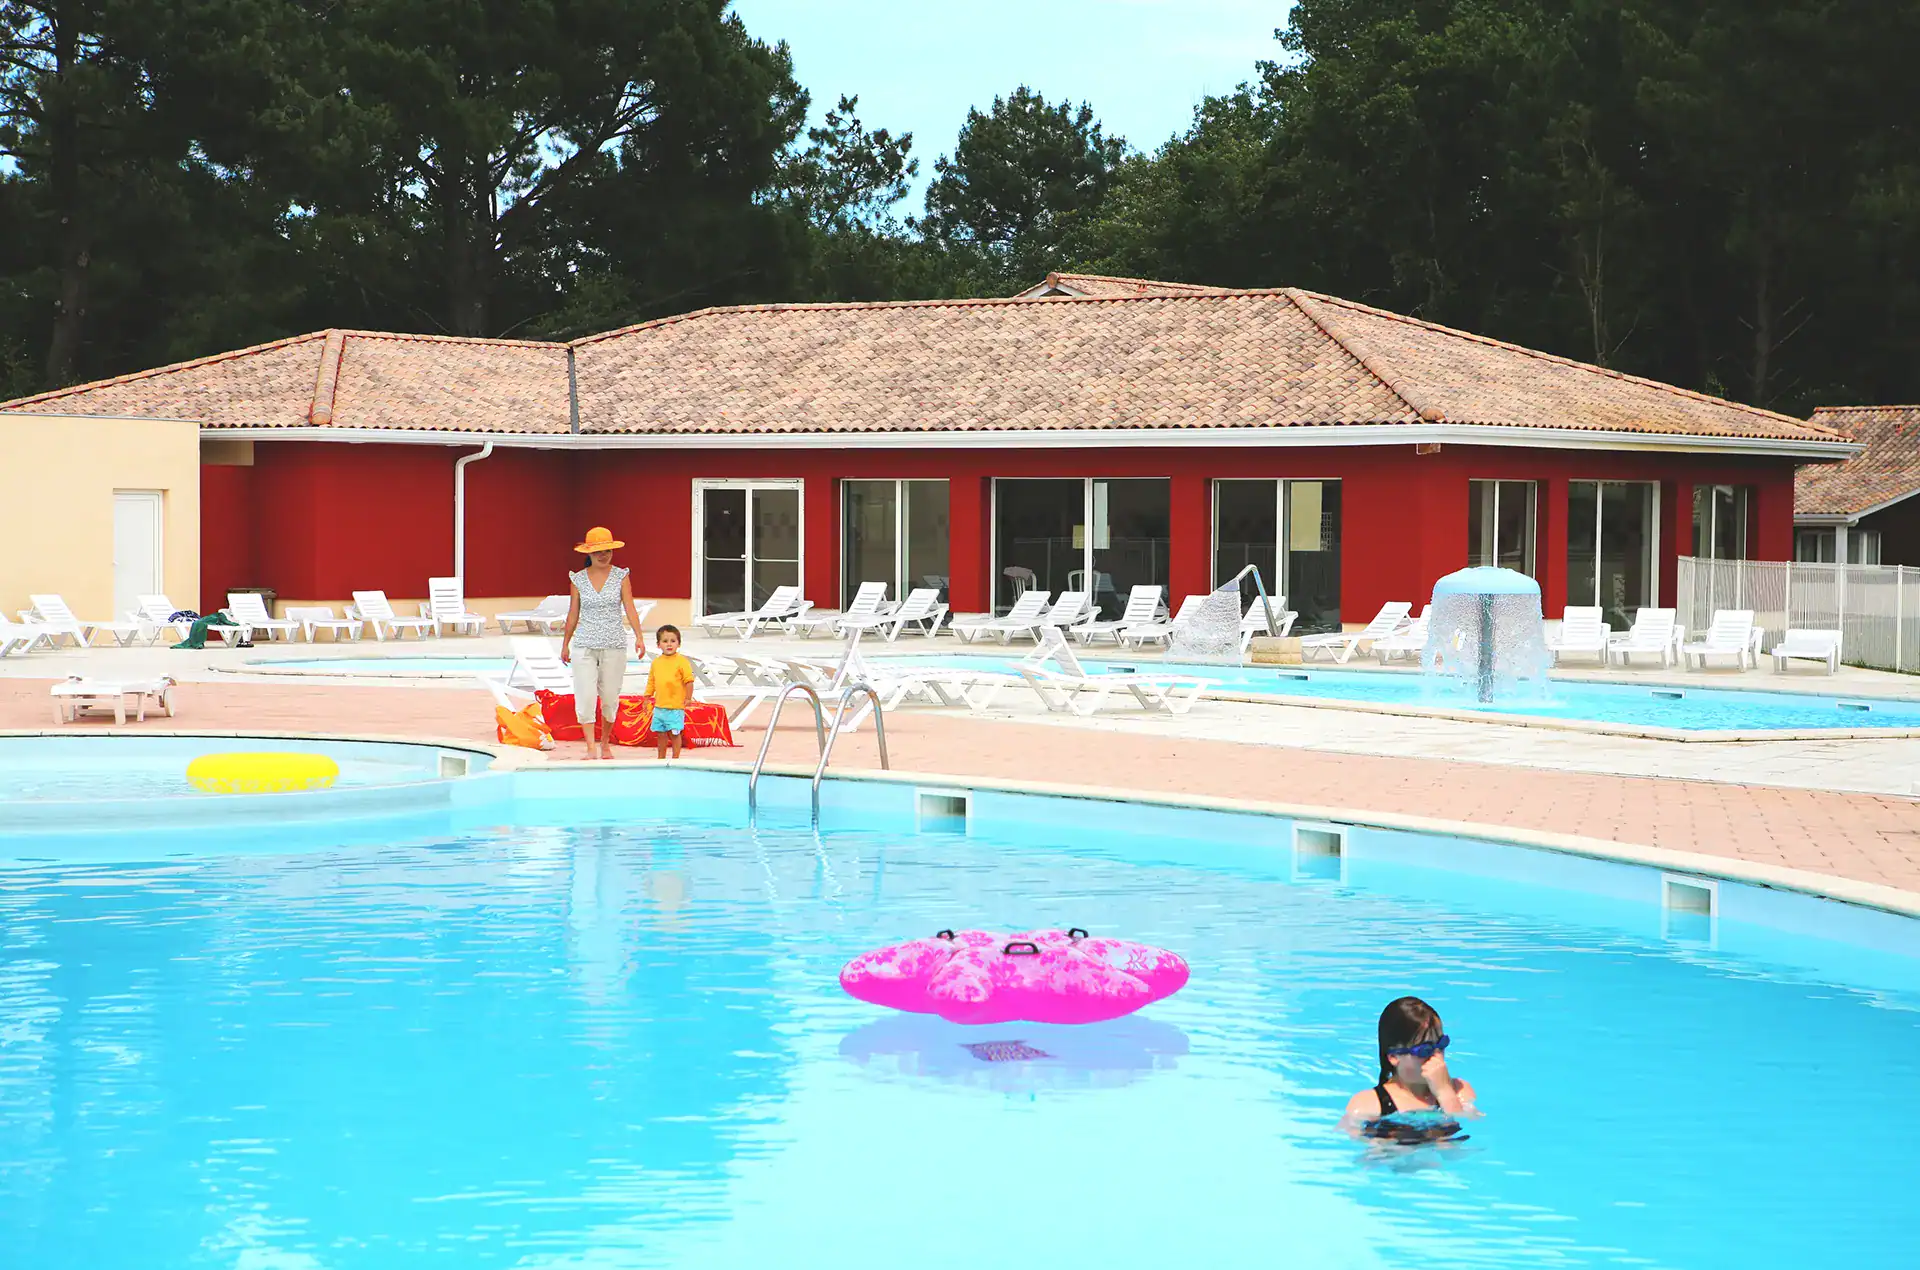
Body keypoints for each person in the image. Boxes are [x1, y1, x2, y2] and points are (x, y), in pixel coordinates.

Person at [559, 526, 647, 761]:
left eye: (607, 550)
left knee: (610, 697)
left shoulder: (621, 576)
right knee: (585, 696)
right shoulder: (577, 579)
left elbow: (629, 607)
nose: (603, 555)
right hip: (584, 645)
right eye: (598, 551)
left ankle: (606, 743)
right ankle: (590, 747)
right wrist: (565, 643)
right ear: (588, 552)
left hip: (614, 644)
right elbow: (573, 614)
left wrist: (639, 636)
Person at [1342, 996, 1477, 1136]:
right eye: (1425, 1050)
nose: (1438, 1057)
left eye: (1441, 1044)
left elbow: (1464, 1140)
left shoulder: (1459, 1091)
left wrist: (1444, 1092)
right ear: (1394, 1057)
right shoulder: (1369, 1103)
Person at [644, 624, 697, 760]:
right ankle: (660, 758)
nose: (669, 644)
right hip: (660, 706)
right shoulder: (656, 662)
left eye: (673, 641)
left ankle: (675, 758)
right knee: (661, 734)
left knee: (674, 734)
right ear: (658, 644)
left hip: (675, 707)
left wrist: (688, 698)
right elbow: (651, 681)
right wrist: (647, 697)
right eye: (665, 641)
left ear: (678, 644)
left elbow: (689, 681)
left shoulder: (682, 662)